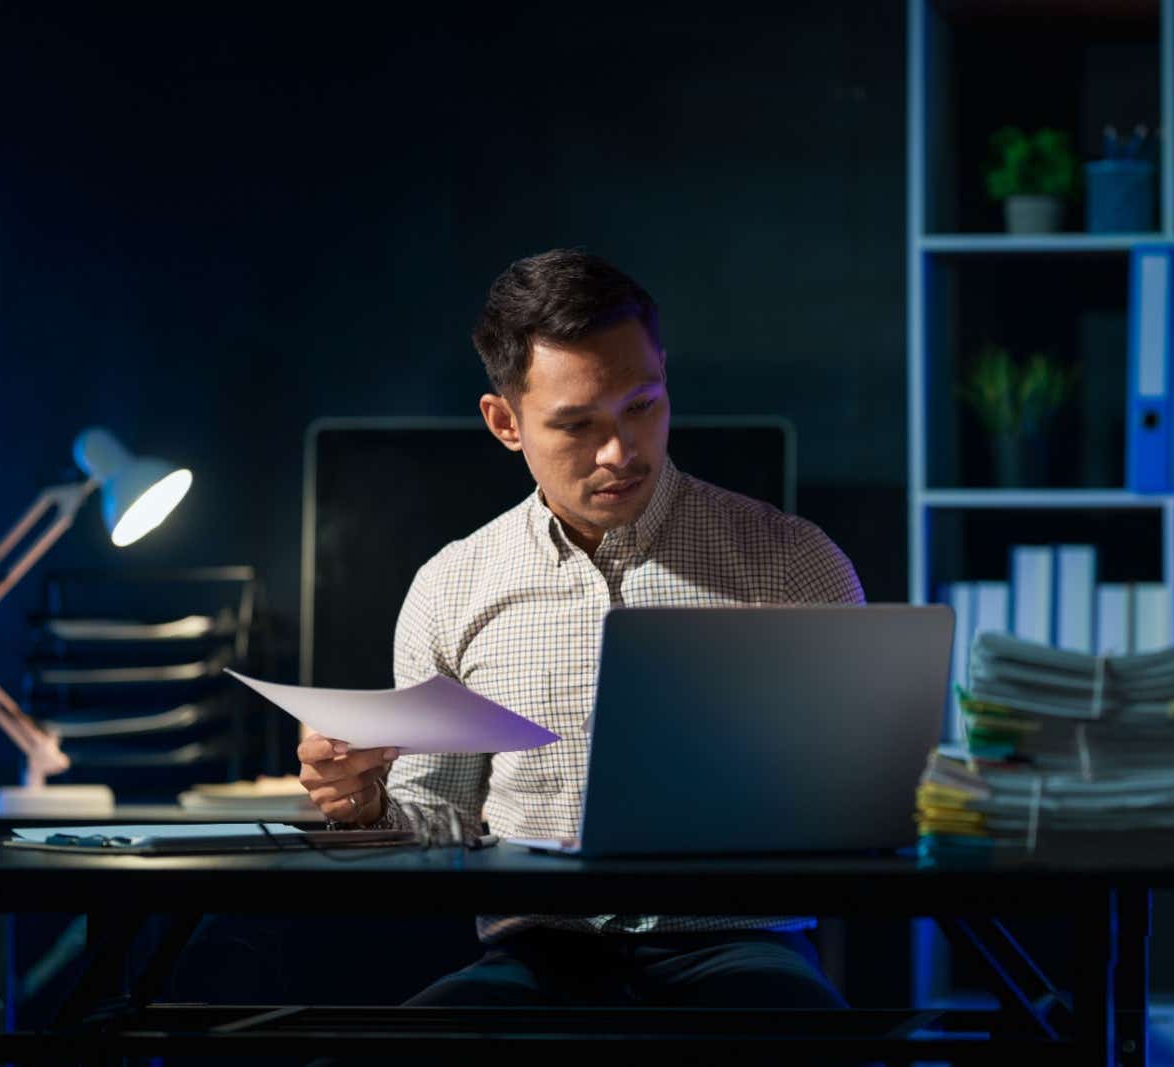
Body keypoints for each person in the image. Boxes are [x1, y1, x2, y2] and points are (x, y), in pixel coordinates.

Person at [296, 248, 865, 1010]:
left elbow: (866, 804)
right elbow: (441, 821)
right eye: (576, 424)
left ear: (665, 372)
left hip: (740, 941)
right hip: (538, 952)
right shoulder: (452, 586)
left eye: (643, 405)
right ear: (504, 421)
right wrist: (364, 803)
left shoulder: (795, 564)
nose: (620, 453)